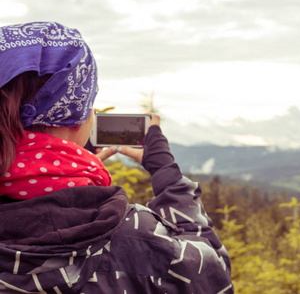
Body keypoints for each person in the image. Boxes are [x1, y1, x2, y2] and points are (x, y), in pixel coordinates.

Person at [0, 22, 233, 293]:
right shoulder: (141, 239)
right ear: (77, 121)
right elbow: (211, 276)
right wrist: (166, 174)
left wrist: (52, 167)